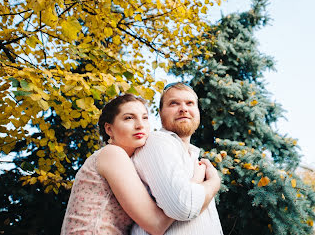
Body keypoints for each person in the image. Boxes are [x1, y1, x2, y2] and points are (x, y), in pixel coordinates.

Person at [60, 94, 207, 235]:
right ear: (109, 129)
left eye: (144, 118)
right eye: (129, 118)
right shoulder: (112, 154)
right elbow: (156, 225)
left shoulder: (129, 161)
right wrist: (197, 181)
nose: (140, 125)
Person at [131, 83, 223, 235]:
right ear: (160, 113)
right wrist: (214, 184)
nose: (184, 109)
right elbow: (183, 206)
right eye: (174, 103)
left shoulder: (194, 156)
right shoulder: (156, 141)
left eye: (190, 103)